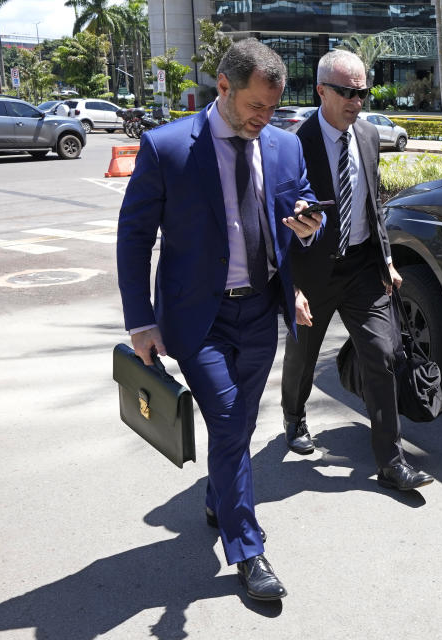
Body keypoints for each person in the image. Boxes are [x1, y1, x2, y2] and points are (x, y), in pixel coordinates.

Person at [116, 38, 324, 602]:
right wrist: (140, 321)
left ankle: (218, 498)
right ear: (225, 87)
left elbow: (301, 208)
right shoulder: (167, 148)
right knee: (231, 419)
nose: (265, 118)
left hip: (260, 310)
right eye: (256, 106)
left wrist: (308, 227)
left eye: (273, 108)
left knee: (239, 424)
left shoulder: (283, 145)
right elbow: (134, 238)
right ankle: (248, 548)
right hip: (196, 318)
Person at [281, 49, 434, 491]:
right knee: (303, 355)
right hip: (312, 271)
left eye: (362, 92)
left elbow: (372, 203)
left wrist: (386, 258)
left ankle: (390, 461)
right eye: (347, 92)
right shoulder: (293, 142)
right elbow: (277, 218)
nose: (357, 101)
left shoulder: (367, 135)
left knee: (383, 354)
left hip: (363, 265)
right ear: (322, 91)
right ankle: (294, 417)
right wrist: (290, 285)